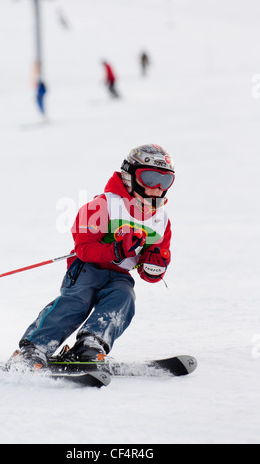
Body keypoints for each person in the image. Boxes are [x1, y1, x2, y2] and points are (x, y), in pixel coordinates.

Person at [10, 144, 175, 371]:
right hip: (87, 268)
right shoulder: (104, 206)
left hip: (119, 275)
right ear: (129, 176)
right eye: (149, 178)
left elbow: (151, 266)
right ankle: (35, 347)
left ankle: (91, 343)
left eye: (165, 182)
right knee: (77, 302)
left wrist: (154, 267)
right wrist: (116, 250)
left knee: (124, 297)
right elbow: (84, 249)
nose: (157, 188)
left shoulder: (161, 221)